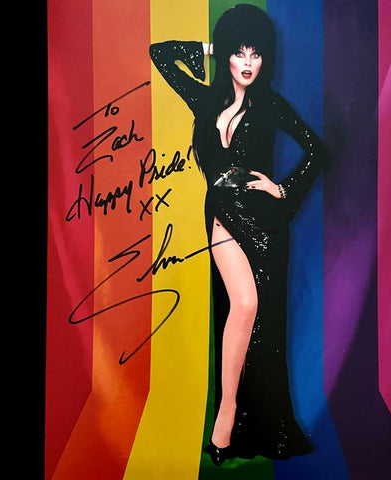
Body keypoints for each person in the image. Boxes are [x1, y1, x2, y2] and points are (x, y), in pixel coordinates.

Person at [149, 3, 327, 466]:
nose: (248, 63)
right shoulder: (205, 100)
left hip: (265, 223)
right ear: (227, 53)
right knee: (244, 305)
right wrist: (215, 45)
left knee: (259, 322)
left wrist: (282, 188)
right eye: (239, 52)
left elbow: (316, 150)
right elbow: (160, 53)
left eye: (257, 53)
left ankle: (242, 423)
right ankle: (226, 412)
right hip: (223, 217)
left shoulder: (270, 104)